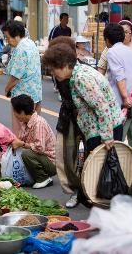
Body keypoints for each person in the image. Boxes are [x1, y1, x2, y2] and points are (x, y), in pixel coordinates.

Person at [42, 43, 124, 155]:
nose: (52, 74)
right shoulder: (78, 72)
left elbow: (102, 106)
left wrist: (107, 136)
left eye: (53, 69)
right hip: (100, 128)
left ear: (64, 65)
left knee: (99, 169)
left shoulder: (81, 79)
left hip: (103, 131)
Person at [102, 23, 132, 166]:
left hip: (126, 99)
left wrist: (125, 98)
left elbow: (120, 76)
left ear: (107, 40)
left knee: (119, 129)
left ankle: (116, 158)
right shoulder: (130, 50)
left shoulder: (111, 52)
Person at [48, 36, 83, 208]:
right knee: (64, 155)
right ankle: (74, 191)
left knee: (91, 157)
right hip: (67, 115)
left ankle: (90, 191)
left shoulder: (81, 72)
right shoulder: (58, 72)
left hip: (86, 118)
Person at [2, 20, 42, 136]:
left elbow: (15, 76)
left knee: (20, 132)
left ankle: (22, 154)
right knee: (34, 130)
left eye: (8, 37)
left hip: (22, 97)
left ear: (16, 35)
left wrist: (7, 88)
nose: (7, 41)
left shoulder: (20, 49)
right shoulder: (31, 44)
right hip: (35, 94)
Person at [11, 94, 56, 189]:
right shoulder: (25, 122)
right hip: (41, 157)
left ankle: (43, 178)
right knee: (22, 151)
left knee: (26, 154)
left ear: (22, 112)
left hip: (51, 162)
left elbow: (39, 148)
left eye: (15, 111)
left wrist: (22, 144)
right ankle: (36, 175)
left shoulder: (38, 123)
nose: (14, 114)